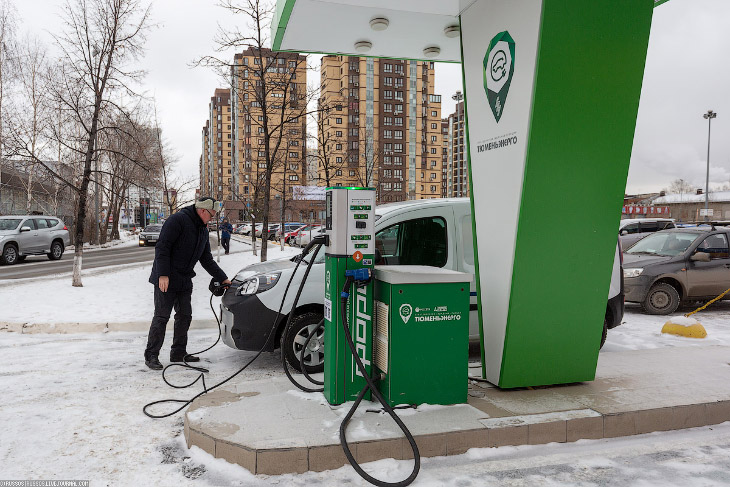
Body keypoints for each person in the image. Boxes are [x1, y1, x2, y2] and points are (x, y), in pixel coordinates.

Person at [144, 197, 231, 370]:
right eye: (212, 215)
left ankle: (178, 352)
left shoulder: (203, 230)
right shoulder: (178, 220)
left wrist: (222, 278)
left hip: (184, 279)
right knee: (161, 317)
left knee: (184, 316)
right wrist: (162, 274)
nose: (213, 218)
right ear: (203, 211)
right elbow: (163, 247)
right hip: (166, 279)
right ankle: (151, 355)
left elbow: (206, 258)